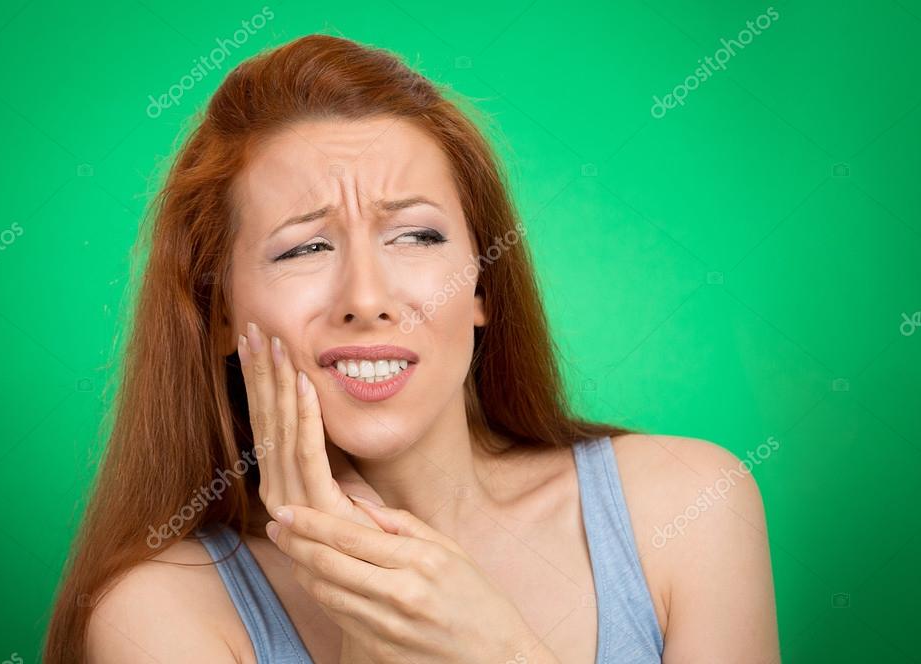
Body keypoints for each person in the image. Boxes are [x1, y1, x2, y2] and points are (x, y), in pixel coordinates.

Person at [44, 34, 780, 663]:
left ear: (481, 285)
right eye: (303, 248)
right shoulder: (159, 613)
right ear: (219, 314)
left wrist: (497, 649)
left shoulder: (689, 505)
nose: (367, 298)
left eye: (417, 236)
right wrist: (369, 628)